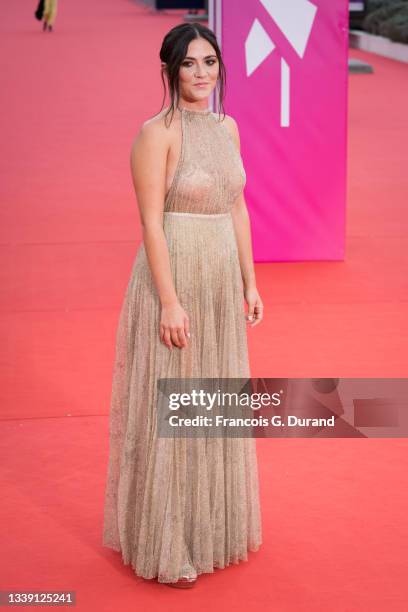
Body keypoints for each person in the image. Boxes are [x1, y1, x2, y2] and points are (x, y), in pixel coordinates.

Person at [102, 22, 264, 588]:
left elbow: (237, 207)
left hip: (220, 277)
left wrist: (250, 281)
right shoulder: (157, 134)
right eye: (191, 63)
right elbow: (150, 221)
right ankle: (168, 540)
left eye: (211, 62)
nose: (203, 74)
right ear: (169, 70)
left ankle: (205, 526)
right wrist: (169, 302)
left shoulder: (229, 127)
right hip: (175, 274)